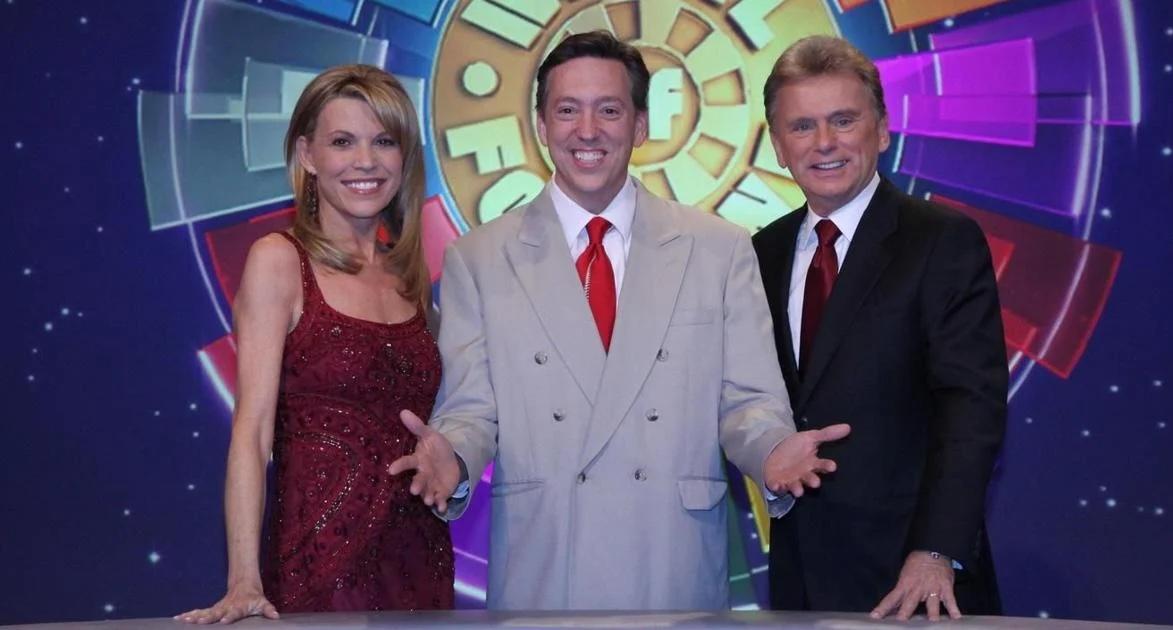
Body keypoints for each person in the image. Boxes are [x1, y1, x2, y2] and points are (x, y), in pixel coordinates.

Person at [387, 31, 849, 610]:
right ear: (540, 123)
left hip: (672, 562)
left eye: (609, 110)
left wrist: (772, 450)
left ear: (640, 125)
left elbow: (748, 403)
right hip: (545, 563)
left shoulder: (718, 248)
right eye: (567, 110)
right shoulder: (478, 258)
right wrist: (451, 459)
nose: (588, 131)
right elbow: (472, 411)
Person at [176, 64, 452, 624]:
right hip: (319, 574)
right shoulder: (279, 261)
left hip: (420, 567)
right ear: (307, 155)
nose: (366, 162)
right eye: (342, 142)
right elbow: (251, 433)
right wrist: (243, 581)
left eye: (384, 142)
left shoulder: (414, 279)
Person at [751, 36, 1007, 621]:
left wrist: (935, 550)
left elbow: (972, 407)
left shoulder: (941, 241)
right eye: (803, 126)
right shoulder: (760, 253)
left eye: (844, 120)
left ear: (882, 129)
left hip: (915, 581)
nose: (825, 143)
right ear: (777, 145)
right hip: (801, 578)